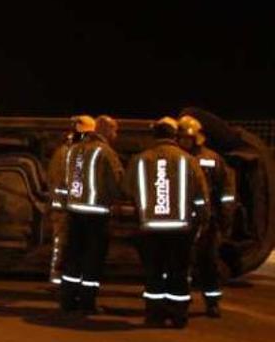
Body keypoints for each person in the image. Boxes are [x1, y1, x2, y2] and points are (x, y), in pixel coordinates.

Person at [127, 117, 209, 328]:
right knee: (178, 272)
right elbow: (201, 195)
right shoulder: (188, 160)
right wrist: (202, 219)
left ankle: (154, 315)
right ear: (175, 136)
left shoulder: (140, 160)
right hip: (180, 229)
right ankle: (178, 315)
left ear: (155, 135)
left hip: (150, 227)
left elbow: (127, 189)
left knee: (154, 272)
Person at [60, 114, 124, 314]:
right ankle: (87, 304)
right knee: (92, 261)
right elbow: (117, 183)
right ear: (105, 131)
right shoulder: (105, 152)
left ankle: (68, 301)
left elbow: (66, 181)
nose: (116, 135)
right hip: (96, 215)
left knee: (73, 259)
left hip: (74, 212)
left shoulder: (73, 151)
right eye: (114, 131)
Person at [177, 115, 236, 318]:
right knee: (181, 263)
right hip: (181, 219)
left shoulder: (212, 159)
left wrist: (225, 217)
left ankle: (212, 301)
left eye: (187, 138)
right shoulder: (176, 158)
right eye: (181, 138)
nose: (184, 141)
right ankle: (181, 300)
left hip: (207, 220)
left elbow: (226, 191)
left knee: (208, 262)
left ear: (196, 138)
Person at [47, 115, 96, 285]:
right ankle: (58, 283)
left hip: (67, 206)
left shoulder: (68, 151)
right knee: (62, 246)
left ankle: (61, 281)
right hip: (64, 208)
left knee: (66, 246)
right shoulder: (69, 153)